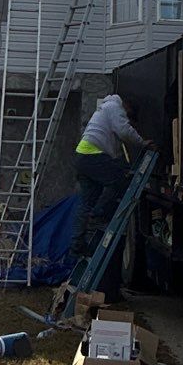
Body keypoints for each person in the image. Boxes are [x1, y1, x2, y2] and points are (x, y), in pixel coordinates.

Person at [71, 91, 149, 278]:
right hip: (92, 155)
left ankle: (77, 244)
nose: (129, 121)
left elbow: (113, 145)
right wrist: (142, 142)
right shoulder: (115, 107)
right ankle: (100, 214)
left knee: (86, 202)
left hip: (83, 156)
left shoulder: (105, 109)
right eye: (129, 118)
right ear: (127, 108)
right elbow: (123, 131)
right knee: (120, 182)